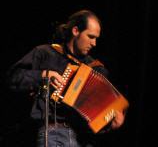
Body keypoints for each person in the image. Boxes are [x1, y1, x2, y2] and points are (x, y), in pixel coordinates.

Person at [7, 10, 127, 147]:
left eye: (96, 38)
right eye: (90, 36)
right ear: (76, 31)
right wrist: (44, 75)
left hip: (84, 140)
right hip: (53, 133)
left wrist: (110, 125)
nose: (94, 43)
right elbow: (12, 77)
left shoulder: (96, 69)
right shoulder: (46, 53)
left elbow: (95, 121)